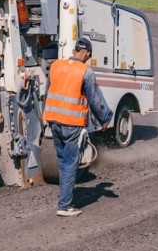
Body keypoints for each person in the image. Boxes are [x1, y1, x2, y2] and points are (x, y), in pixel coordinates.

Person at [43, 37, 112, 217]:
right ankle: (65, 206)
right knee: (70, 163)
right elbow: (95, 100)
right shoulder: (86, 72)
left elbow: (47, 93)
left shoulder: (56, 66)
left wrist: (46, 117)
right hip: (72, 123)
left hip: (53, 121)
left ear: (74, 50)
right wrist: (104, 119)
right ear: (87, 53)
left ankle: (64, 197)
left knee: (62, 161)